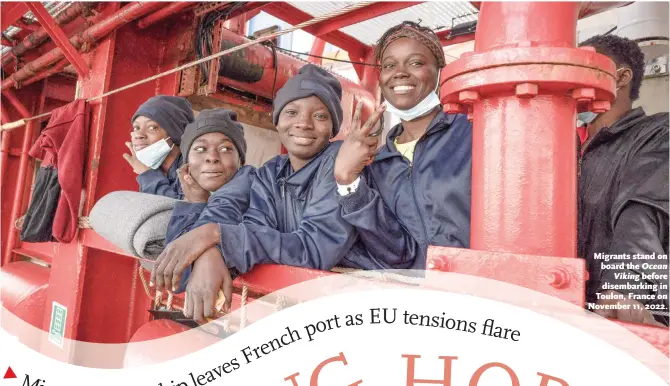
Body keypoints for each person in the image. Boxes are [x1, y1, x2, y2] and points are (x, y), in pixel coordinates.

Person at [151, 64, 384, 322]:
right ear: (277, 120)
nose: (304, 123)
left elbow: (315, 248)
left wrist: (215, 234)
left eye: (320, 116)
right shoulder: (271, 173)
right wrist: (211, 252)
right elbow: (253, 227)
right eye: (292, 112)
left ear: (333, 127)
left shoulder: (338, 161)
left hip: (358, 307)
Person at [333, 21, 472, 270]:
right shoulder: (377, 163)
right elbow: (393, 250)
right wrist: (348, 181)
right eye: (389, 65)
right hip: (410, 302)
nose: (400, 72)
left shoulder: (470, 132)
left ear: (440, 73)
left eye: (416, 63)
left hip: (479, 294)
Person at [576, 34, 669, 326]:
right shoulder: (565, 146)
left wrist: (628, 289)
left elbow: (642, 209)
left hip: (620, 314)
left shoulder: (658, 133)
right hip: (566, 310)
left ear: (621, 77)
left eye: (582, 68)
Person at [123, 95, 194, 199]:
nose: (138, 134)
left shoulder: (194, 168)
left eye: (152, 127)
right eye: (136, 127)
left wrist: (147, 174)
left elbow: (174, 211)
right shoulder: (157, 168)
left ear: (175, 133)